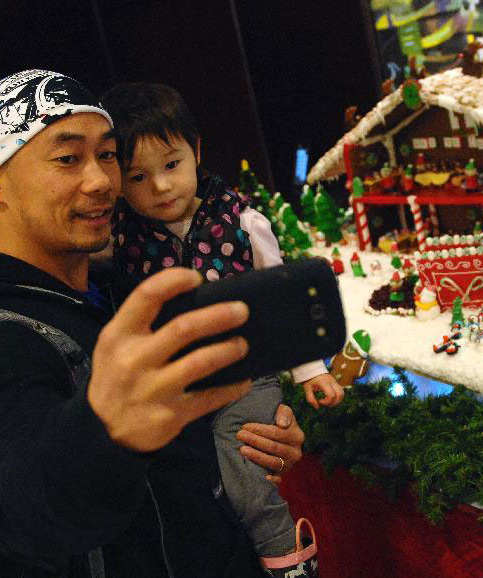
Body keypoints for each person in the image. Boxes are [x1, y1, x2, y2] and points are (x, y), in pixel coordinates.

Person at [0, 69, 306, 578]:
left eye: (108, 155)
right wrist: (105, 426)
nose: (101, 181)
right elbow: (27, 508)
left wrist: (257, 439)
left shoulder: (121, 287)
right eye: (67, 158)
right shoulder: (0, 339)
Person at [102, 82, 343, 577]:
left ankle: (287, 555)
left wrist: (310, 370)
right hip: (173, 382)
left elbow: (282, 303)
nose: (161, 187)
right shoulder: (117, 237)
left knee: (244, 458)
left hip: (245, 373)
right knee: (187, 480)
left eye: (171, 165)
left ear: (195, 150)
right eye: (138, 177)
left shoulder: (243, 221)